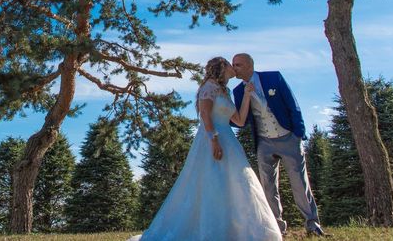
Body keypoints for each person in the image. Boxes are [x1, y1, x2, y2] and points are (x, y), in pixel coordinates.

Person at [129, 57, 282, 241]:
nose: (233, 68)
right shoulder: (208, 87)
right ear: (221, 67)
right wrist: (214, 139)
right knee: (211, 183)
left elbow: (240, 120)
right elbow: (205, 115)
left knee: (237, 183)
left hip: (230, 142)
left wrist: (248, 95)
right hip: (211, 140)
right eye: (229, 64)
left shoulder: (225, 91)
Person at [231, 52, 327, 237]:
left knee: (299, 181)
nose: (235, 68)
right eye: (234, 65)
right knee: (268, 186)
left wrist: (298, 133)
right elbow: (240, 119)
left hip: (287, 137)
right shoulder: (237, 91)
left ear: (250, 65)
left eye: (238, 65)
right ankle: (276, 227)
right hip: (263, 142)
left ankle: (312, 224)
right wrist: (219, 114)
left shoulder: (273, 77)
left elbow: (292, 104)